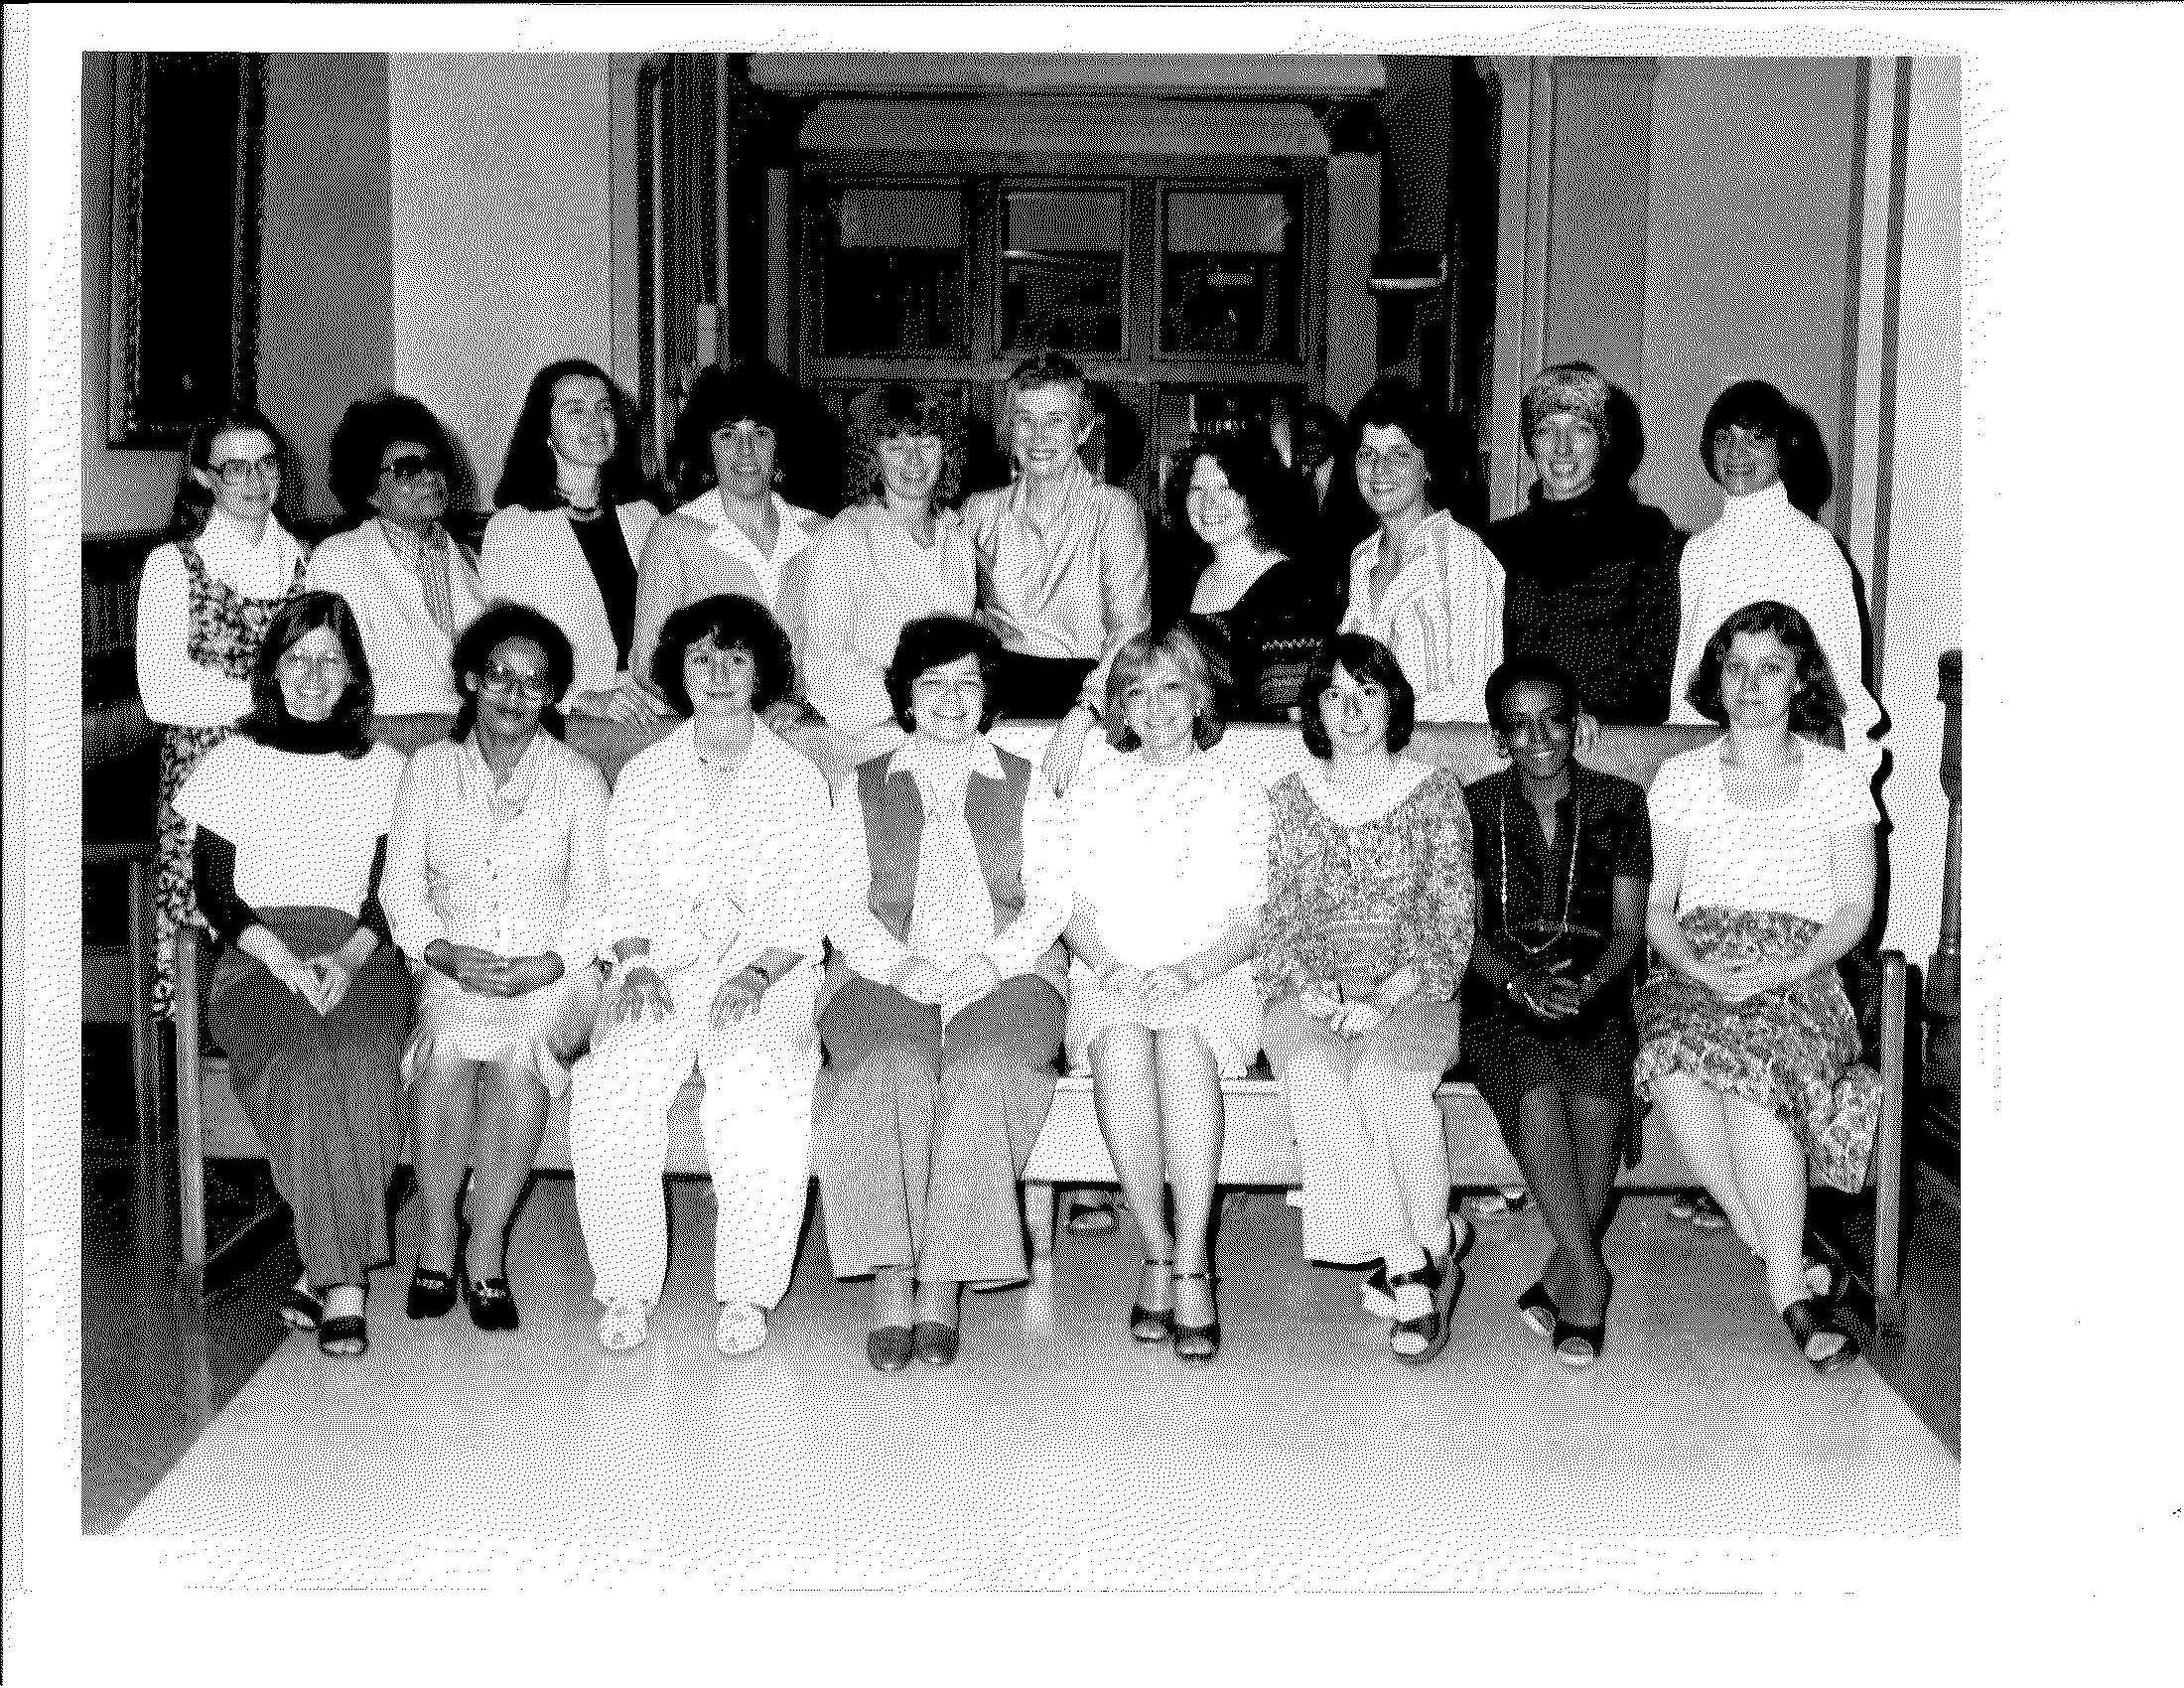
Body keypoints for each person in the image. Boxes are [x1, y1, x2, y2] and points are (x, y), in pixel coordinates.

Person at [567, 593, 832, 1357]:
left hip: (767, 971)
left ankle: (747, 1292)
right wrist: (637, 965)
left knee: (758, 1084)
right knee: (611, 1081)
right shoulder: (645, 775)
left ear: (761, 672)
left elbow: (807, 903)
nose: (718, 675)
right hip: (663, 970)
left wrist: (755, 974)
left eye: (735, 658)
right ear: (678, 672)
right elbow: (620, 892)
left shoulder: (797, 779)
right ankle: (624, 1287)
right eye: (701, 658)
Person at [814, 616, 1071, 1370]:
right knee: (884, 1064)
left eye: (967, 684)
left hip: (1010, 967)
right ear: (905, 694)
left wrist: (988, 965)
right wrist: (900, 967)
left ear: (986, 695)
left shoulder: (1026, 777)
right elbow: (838, 901)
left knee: (980, 1069)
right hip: (881, 966)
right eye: (933, 685)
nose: (951, 701)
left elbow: (1051, 899)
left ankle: (944, 1281)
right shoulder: (864, 778)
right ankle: (895, 1282)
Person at [1635, 600, 1881, 1374]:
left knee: (1752, 1078)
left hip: (1802, 965)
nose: (1750, 684)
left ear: (1800, 678)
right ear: (1716, 678)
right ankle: (1778, 1252)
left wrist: (1781, 969)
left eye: (1771, 667)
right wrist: (1702, 969)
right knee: (1672, 1062)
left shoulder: (1836, 777)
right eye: (1735, 667)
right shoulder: (1682, 777)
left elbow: (1855, 909)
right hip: (1699, 959)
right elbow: (1656, 907)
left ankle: (1787, 1288)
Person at [171, 592, 409, 1357]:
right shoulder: (230, 762)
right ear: (272, 669)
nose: (311, 675)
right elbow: (215, 892)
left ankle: (319, 1267)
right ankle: (346, 1284)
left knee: (362, 1061)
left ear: (353, 673)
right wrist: (280, 958)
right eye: (296, 658)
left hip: (360, 954)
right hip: (257, 956)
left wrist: (347, 957)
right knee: (306, 1063)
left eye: (329, 660)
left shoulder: (388, 769)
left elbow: (393, 892)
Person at [379, 602, 609, 1332]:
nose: (513, 696)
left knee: (519, 1071)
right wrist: (443, 954)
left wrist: (549, 964)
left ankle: (486, 1253)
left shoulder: (578, 778)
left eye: (533, 683)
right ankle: (435, 1237)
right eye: (499, 677)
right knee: (444, 1067)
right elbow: (400, 888)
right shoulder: (428, 772)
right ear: (471, 681)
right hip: (451, 966)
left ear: (552, 695)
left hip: (550, 973)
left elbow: (597, 896)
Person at [1258, 633, 1475, 1364]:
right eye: (1335, 697)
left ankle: (1415, 1255)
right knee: (1321, 1083)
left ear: (1394, 703)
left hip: (1413, 987)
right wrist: (1318, 992)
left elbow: (1453, 915)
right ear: (1315, 710)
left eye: (1367, 694)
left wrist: (1388, 995)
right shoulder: (1292, 798)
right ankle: (1418, 1254)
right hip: (1312, 992)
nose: (1351, 712)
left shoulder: (1432, 790)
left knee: (1387, 1084)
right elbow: (1281, 915)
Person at [1061, 623, 1270, 1363]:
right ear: (1120, 703)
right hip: (1110, 972)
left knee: (1182, 1047)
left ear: (1203, 697)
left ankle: (1192, 1263)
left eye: (1176, 687)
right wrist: (1112, 966)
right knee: (1120, 1049)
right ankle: (1158, 1248)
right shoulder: (1095, 785)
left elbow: (1251, 912)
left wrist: (1185, 972)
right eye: (1139, 690)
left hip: (1210, 976)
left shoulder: (1235, 787)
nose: (1158, 706)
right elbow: (1068, 904)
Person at [1460, 653, 1653, 1366]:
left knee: (1599, 1104)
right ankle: (1587, 1278)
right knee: (1539, 1095)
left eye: (1553, 721)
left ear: (1577, 726)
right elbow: (1464, 927)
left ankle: (1564, 1268)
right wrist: (1521, 986)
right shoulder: (1473, 806)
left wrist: (1590, 984)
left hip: (1596, 983)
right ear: (1498, 736)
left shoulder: (1619, 803)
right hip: (1501, 987)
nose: (1538, 738)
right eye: (1519, 725)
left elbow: (1629, 928)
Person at [137, 406, 311, 1019]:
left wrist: (278, 705)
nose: (253, 482)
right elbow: (162, 691)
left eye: (266, 465)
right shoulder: (173, 565)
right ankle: (193, 1064)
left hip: (291, 771)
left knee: (291, 924)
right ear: (205, 477)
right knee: (204, 923)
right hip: (202, 767)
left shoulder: (306, 563)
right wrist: (270, 698)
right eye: (234, 467)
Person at [1667, 379, 1882, 778]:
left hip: (1793, 741)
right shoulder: (1698, 549)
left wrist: (1846, 772)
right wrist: (1680, 744)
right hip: (1712, 741)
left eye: (1755, 439)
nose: (1736, 454)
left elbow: (1842, 669)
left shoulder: (1814, 547)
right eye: (1724, 439)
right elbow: (1689, 661)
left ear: (1782, 450)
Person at [964, 350, 1150, 788]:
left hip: (1092, 693)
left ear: (1082, 429)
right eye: (1025, 419)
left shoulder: (1116, 511)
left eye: (1056, 420)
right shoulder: (980, 513)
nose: (1039, 436)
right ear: (1009, 428)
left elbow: (1129, 631)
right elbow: (963, 619)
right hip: (997, 699)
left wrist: (1085, 713)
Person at [1485, 363, 1684, 725]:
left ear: (1602, 442)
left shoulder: (1645, 535)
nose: (1562, 447)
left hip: (1616, 738)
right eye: (1547, 430)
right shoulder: (1497, 543)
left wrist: (1590, 723)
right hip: (1521, 738)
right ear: (1530, 443)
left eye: (1579, 429)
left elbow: (1655, 666)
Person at [480, 358, 669, 730]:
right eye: (575, 410)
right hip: (566, 714)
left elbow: (668, 626)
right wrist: (584, 699)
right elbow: (508, 647)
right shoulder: (512, 529)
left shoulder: (646, 516)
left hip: (651, 705)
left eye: (604, 409)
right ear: (546, 433)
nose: (595, 423)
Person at [799, 383, 979, 767]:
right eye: (896, 445)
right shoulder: (848, 534)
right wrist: (901, 722)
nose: (913, 460)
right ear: (873, 456)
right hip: (872, 737)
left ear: (946, 452)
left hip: (952, 726)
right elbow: (821, 656)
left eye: (927, 442)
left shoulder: (958, 533)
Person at [627, 358, 827, 695]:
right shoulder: (674, 534)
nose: (746, 450)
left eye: (760, 434)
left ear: (780, 444)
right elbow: (648, 659)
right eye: (728, 435)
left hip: (807, 715)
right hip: (713, 712)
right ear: (707, 447)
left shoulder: (818, 532)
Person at [307, 391, 489, 716]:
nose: (429, 478)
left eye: (433, 463)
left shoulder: (471, 556)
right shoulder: (339, 557)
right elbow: (322, 667)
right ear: (370, 489)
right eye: (407, 469)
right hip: (384, 727)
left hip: (468, 729)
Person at [1337, 377, 1506, 725]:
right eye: (1367, 454)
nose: (1378, 469)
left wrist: (1387, 721)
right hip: (1368, 741)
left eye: (1397, 455)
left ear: (1427, 465)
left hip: (1443, 746)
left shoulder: (1464, 557)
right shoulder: (1361, 558)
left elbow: (1477, 691)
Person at [1167, 429, 1328, 720]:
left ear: (1255, 495)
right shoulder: (1178, 579)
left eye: (1225, 488)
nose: (1208, 503)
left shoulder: (1294, 585)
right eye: (1197, 490)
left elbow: (1291, 709)